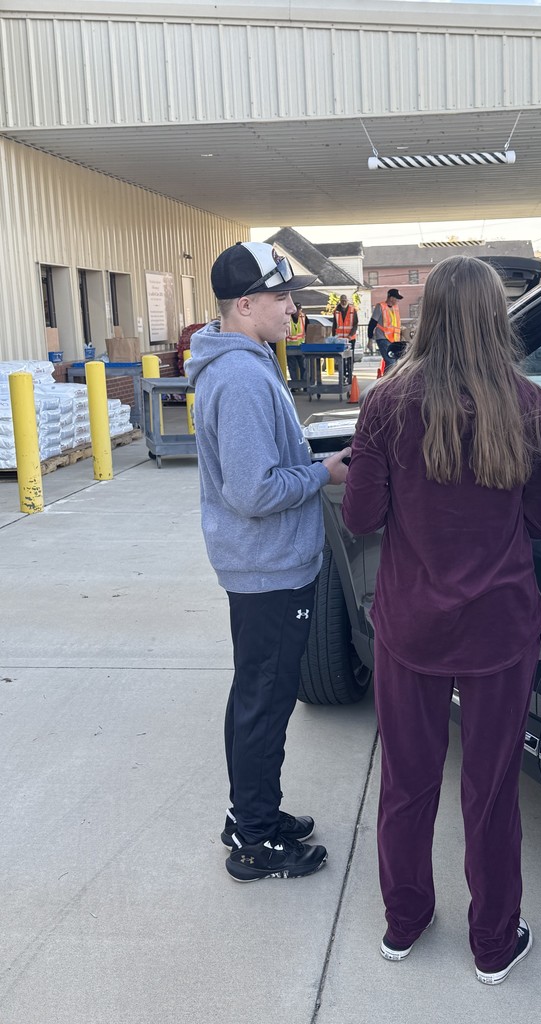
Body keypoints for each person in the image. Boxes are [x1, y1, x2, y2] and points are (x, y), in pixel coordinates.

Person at [342, 255, 541, 984]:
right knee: (492, 791)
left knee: (408, 785)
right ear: (496, 317)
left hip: (411, 627)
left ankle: (404, 925)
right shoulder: (530, 405)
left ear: (427, 316)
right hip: (501, 628)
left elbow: (362, 516)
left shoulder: (385, 403)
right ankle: (494, 944)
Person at [186, 242, 350, 882]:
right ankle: (256, 842)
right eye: (282, 298)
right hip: (270, 566)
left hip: (259, 565)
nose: (294, 309)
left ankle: (251, 813)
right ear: (245, 303)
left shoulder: (239, 365)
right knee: (265, 701)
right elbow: (253, 492)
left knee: (255, 694)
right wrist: (324, 472)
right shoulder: (245, 378)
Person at [368, 288, 404, 370]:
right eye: (397, 298)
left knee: (394, 362)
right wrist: (370, 339)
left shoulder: (395, 308)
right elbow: (372, 323)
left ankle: (389, 380)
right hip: (383, 338)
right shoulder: (380, 307)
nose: (398, 301)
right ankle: (388, 381)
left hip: (394, 339)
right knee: (391, 362)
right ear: (391, 298)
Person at [332, 294, 359, 384]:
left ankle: (349, 375)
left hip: (350, 339)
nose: (343, 302)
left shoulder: (352, 310)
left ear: (347, 301)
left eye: (345, 300)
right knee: (341, 358)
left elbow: (355, 324)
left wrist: (350, 335)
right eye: (342, 300)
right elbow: (334, 325)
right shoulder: (336, 311)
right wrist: (333, 338)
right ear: (340, 301)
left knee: (350, 358)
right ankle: (343, 375)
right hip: (340, 340)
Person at [286, 301, 307, 390]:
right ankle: (295, 386)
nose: (298, 312)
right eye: (296, 310)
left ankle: (304, 384)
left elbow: (308, 330)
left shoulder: (303, 317)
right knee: (292, 367)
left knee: (303, 366)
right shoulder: (287, 318)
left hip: (301, 347)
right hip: (290, 347)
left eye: (299, 310)